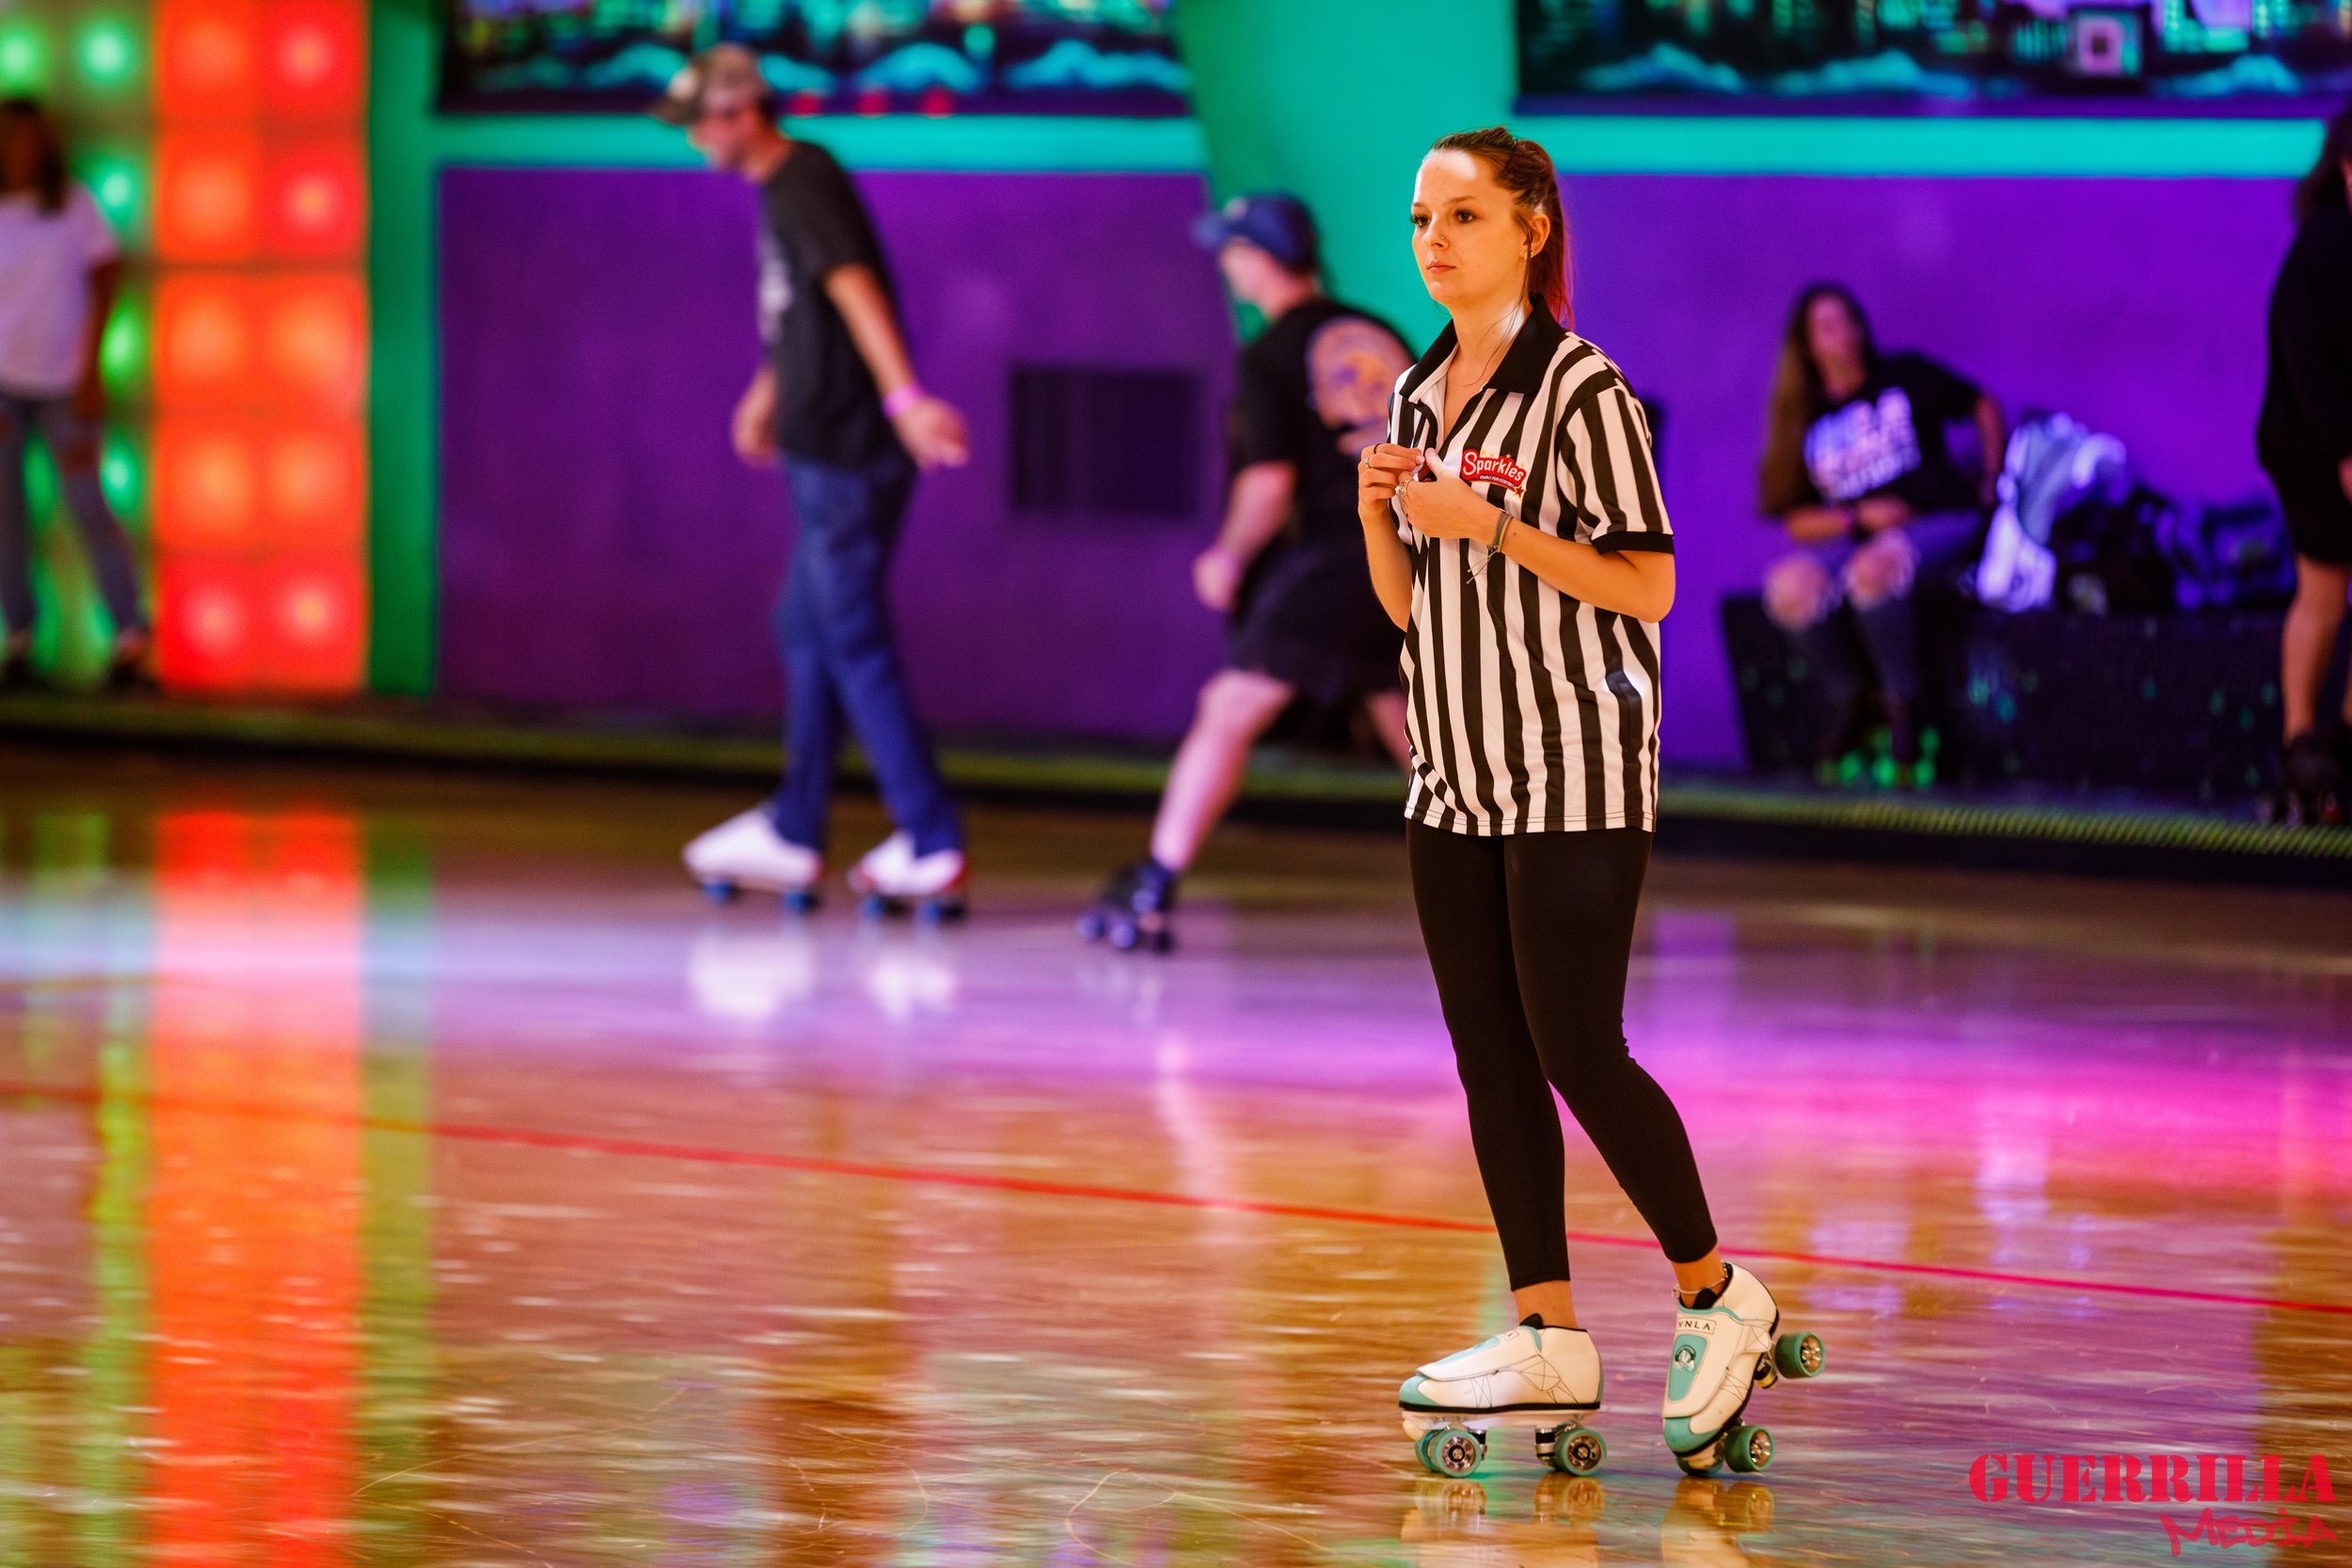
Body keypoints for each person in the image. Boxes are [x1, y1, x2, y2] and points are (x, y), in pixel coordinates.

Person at [1358, 127, 1810, 1477]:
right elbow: (1410, 608)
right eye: (1422, 215)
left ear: (1533, 228)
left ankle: (1719, 1288)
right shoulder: (1417, 391)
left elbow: (1651, 583)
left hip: (1574, 764)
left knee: (1576, 1044)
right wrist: (1386, 516)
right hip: (1454, 772)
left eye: (1466, 215)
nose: (1435, 238)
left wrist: (1485, 522)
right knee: (1490, 1055)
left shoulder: (1582, 390)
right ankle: (1546, 1326)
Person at [657, 48, 974, 914]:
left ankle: (931, 836)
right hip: (818, 444)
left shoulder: (804, 179)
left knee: (851, 638)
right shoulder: (782, 188)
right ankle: (796, 830)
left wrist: (905, 397)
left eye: (697, 122)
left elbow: (853, 286)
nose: (691, 141)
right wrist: (767, 393)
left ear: (741, 115)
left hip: (845, 453)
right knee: (805, 625)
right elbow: (802, 310)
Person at [1078, 194, 1413, 952]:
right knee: (1412, 726)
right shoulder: (1379, 334)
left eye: (1233, 251)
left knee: (1229, 706)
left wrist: (1227, 554)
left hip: (1340, 557)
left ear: (1261, 258)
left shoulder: (1269, 355)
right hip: (1415, 549)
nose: (1227, 265)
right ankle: (1522, 892)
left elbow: (1270, 483)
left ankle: (1154, 888)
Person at [1756, 284, 2001, 777]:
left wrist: (1993, 481)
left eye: (1848, 320)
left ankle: (1904, 707)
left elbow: (1982, 405)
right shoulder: (1807, 420)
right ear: (1807, 346)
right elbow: (1796, 521)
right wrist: (1857, 516)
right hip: (1863, 536)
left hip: (1938, 520)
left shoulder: (1902, 376)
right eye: (1828, 327)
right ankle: (1850, 695)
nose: (1844, 334)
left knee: (1873, 570)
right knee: (1787, 587)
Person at [0, 97, 151, 690]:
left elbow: (108, 277)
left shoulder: (75, 206)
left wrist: (91, 369)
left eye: (34, 139)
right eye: (13, 139)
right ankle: (20, 638)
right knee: (7, 516)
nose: (24, 151)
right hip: (4, 391)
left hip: (65, 384)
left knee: (89, 506)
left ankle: (129, 637)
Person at [2261, 102, 2352, 821]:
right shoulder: (2322, 248)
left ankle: (2343, 750)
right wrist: (2345, 450)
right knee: (2323, 592)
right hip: (2312, 448)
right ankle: (2300, 746)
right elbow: (2307, 365)